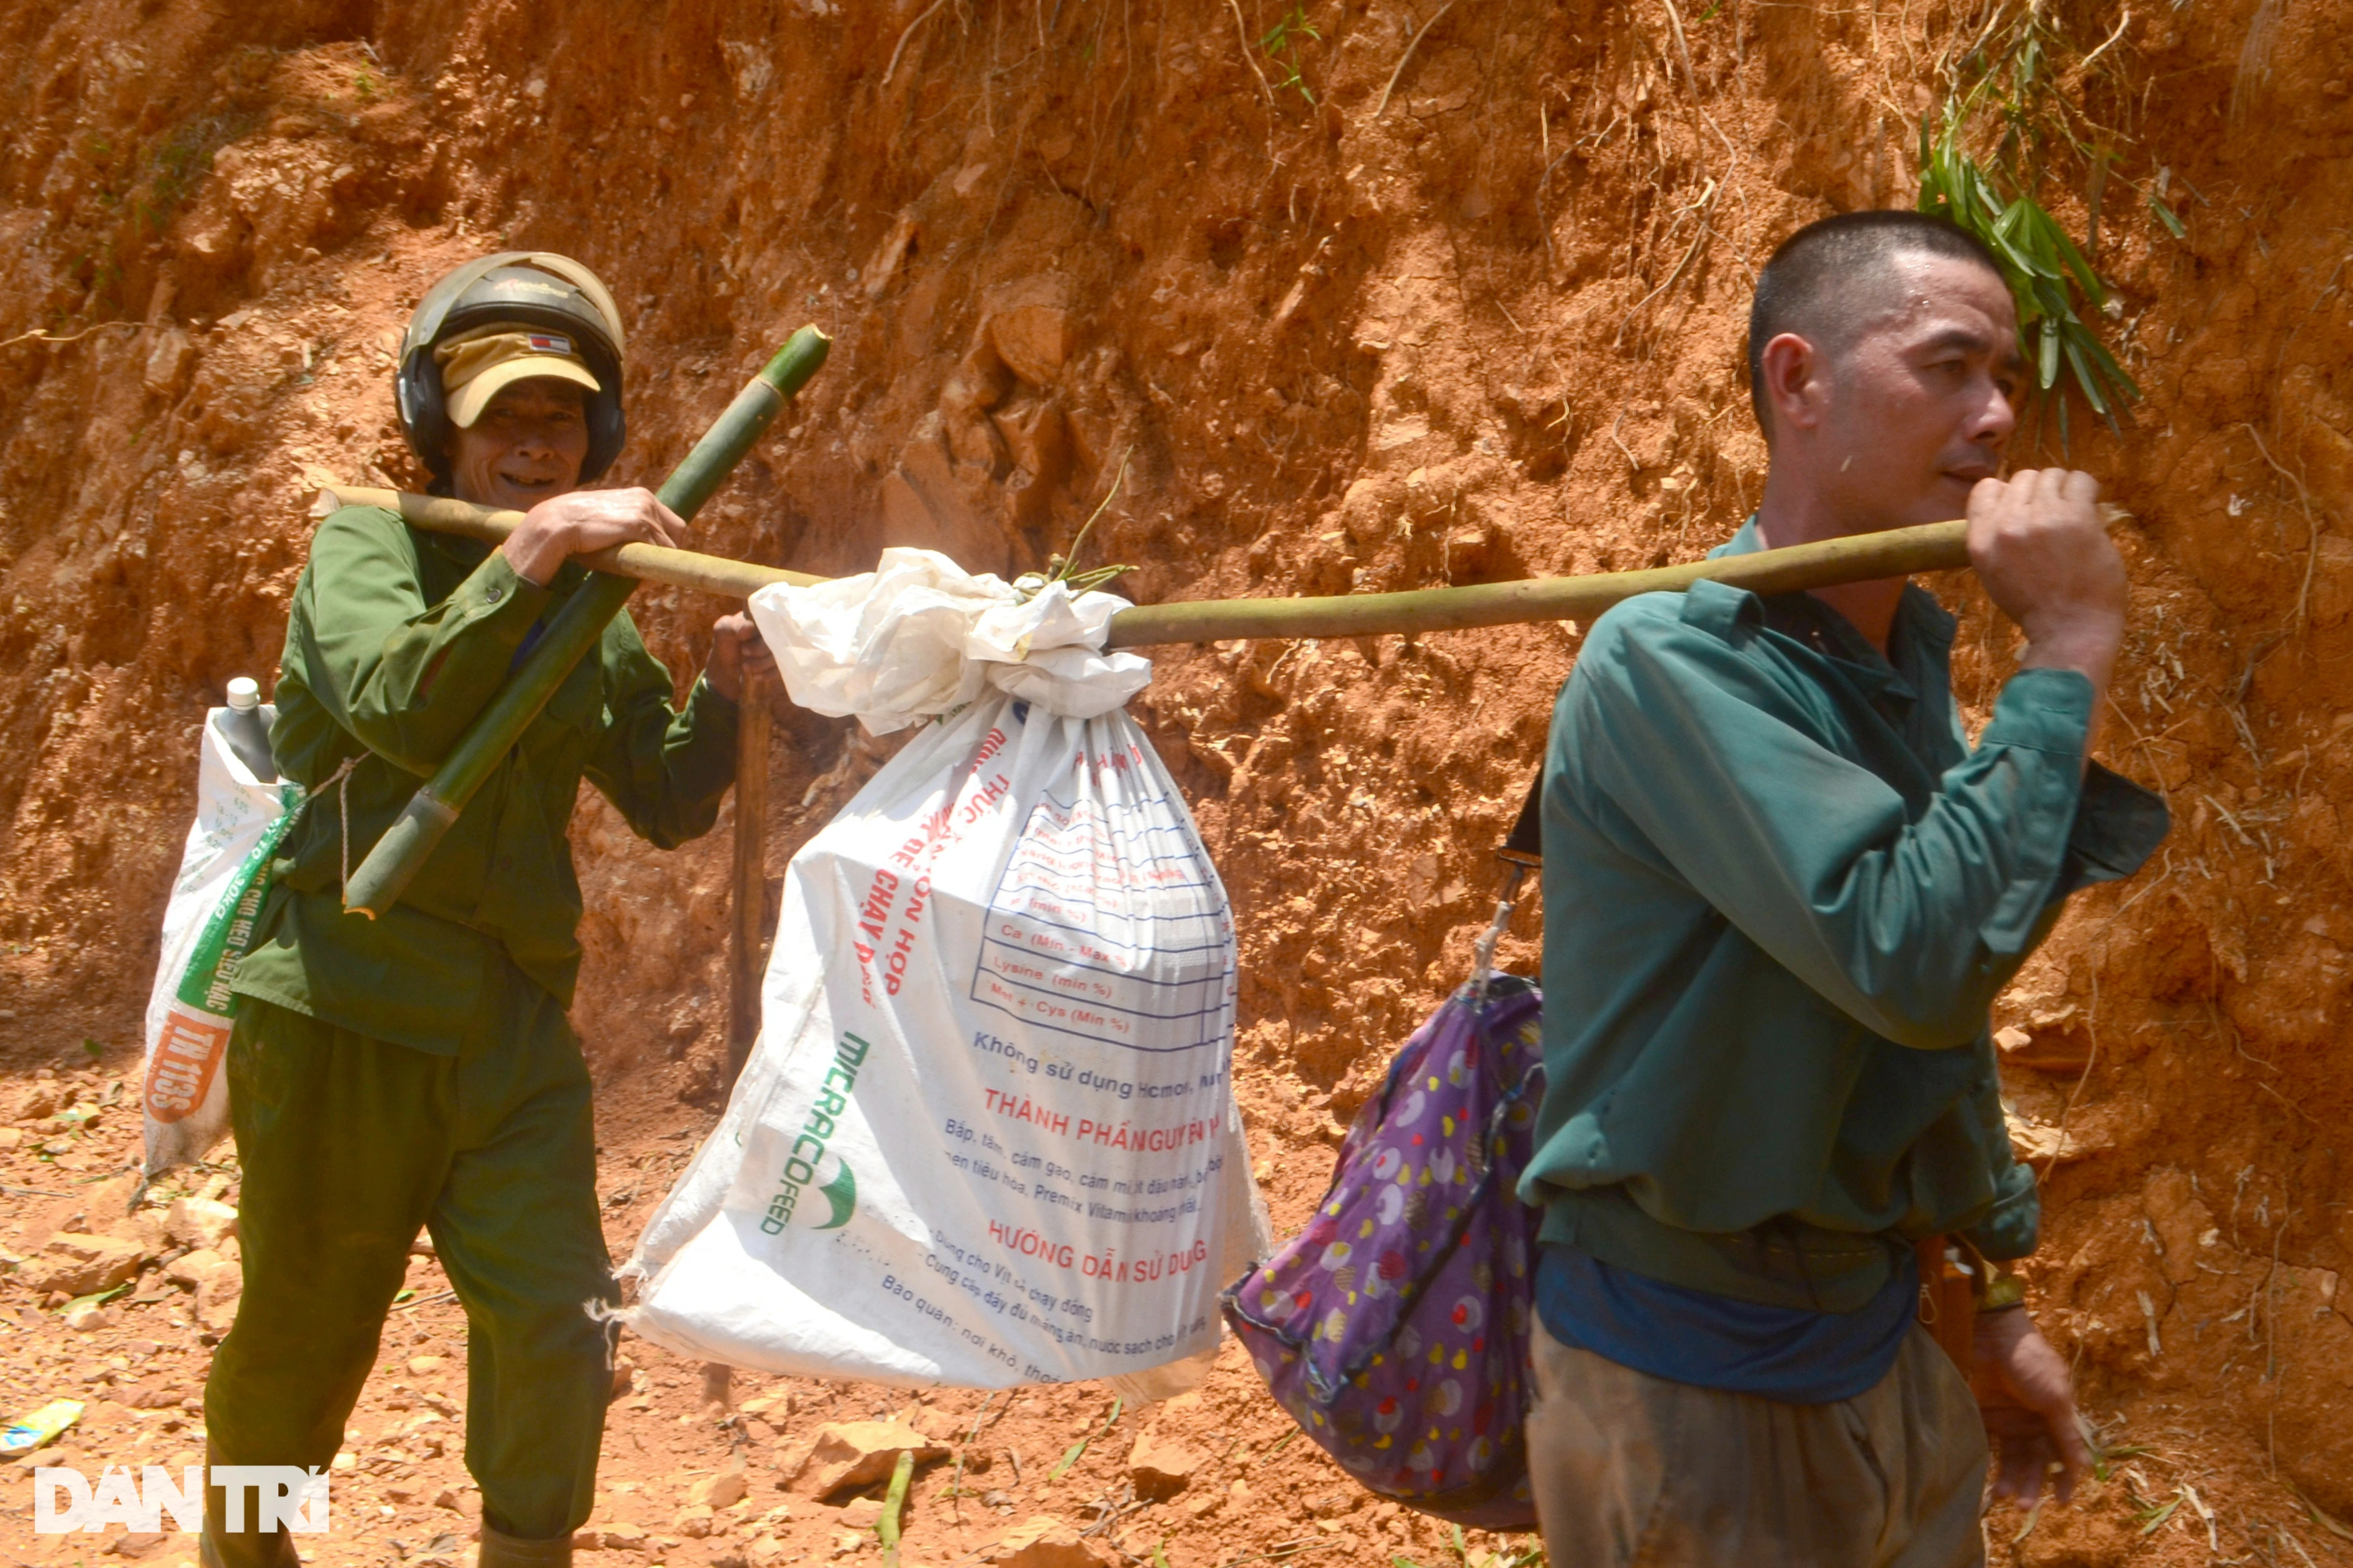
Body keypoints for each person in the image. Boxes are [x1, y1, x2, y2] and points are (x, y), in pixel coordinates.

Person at [1517, 211, 2170, 1566]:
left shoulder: (1895, 650)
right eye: (1948, 366)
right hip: (1699, 1385)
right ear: (1797, 382)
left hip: (1877, 1346)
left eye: (2007, 377)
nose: (1996, 417)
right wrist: (2068, 641)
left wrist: (1986, 1299)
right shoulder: (1671, 663)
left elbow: (1931, 1024)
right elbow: (1911, 956)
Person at [203, 253, 776, 1568]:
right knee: (303, 1331)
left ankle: (529, 1552)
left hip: (509, 1035)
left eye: (559, 420)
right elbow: (404, 699)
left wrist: (732, 693)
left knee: (558, 1326)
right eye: (502, 419)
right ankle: (244, 1552)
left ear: (601, 432)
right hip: (341, 1003)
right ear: (440, 427)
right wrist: (533, 552)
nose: (533, 446)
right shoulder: (365, 543)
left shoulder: (598, 603)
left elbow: (670, 797)